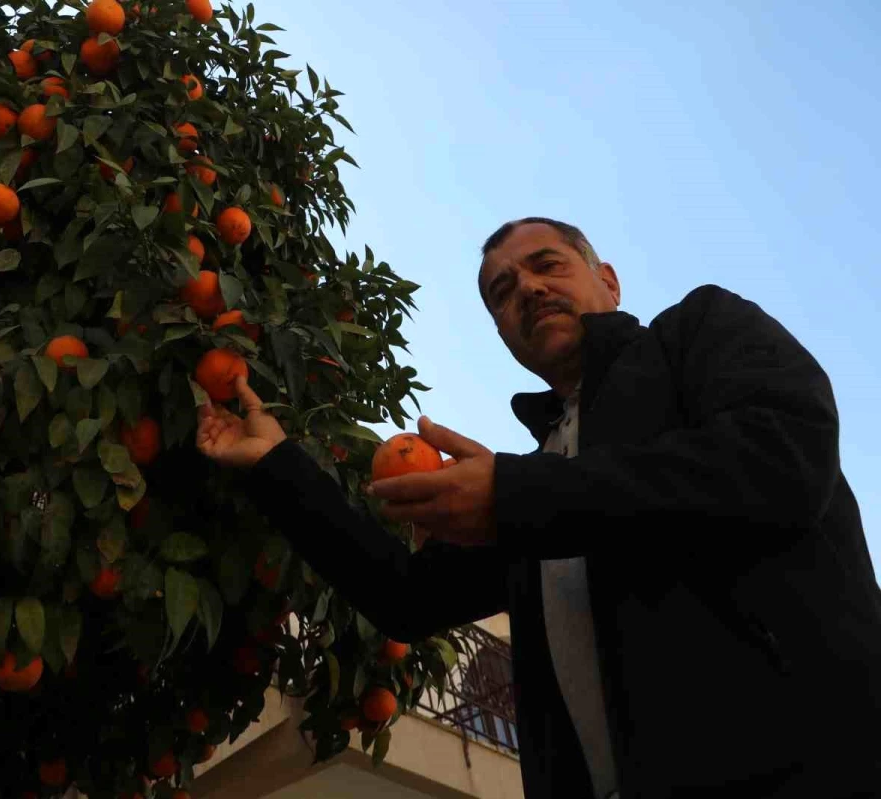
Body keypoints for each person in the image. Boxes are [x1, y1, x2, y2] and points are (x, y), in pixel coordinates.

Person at [196, 218, 881, 799]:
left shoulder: (695, 332)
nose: (525, 287)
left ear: (607, 279)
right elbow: (404, 595)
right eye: (501, 291)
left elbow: (783, 458)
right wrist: (277, 463)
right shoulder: (544, 480)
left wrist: (516, 492)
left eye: (545, 264)